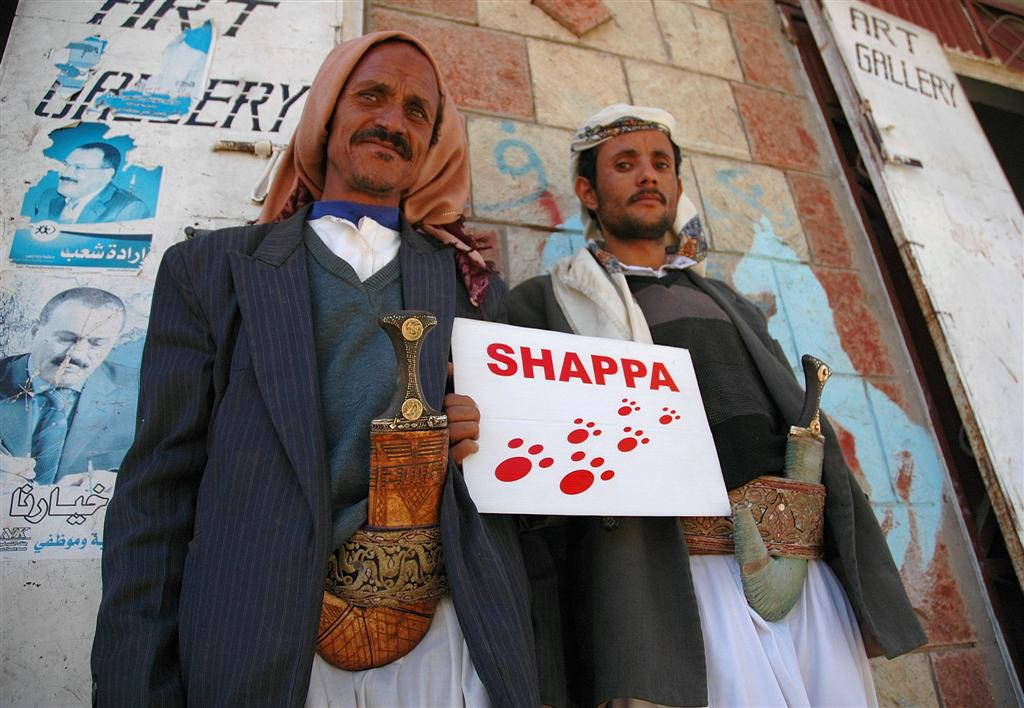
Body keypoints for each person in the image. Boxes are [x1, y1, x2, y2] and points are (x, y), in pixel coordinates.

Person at [91, 31, 538, 707]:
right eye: (372, 96)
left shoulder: (470, 286)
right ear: (328, 113)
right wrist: (136, 687)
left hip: (453, 649)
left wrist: (490, 435)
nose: (392, 121)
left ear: (432, 144)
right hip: (264, 647)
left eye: (417, 111)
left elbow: (522, 491)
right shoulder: (210, 272)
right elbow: (158, 493)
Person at [507, 104, 926, 707]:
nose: (647, 175)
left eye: (661, 164)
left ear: (678, 186)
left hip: (802, 568)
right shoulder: (547, 304)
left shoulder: (729, 299)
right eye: (624, 164)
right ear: (588, 191)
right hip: (676, 581)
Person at [0, 287, 136, 490]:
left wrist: (121, 481)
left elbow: (166, 467)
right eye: (66, 338)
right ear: (35, 331)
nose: (77, 354)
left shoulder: (143, 392)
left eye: (97, 344)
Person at [34, 142, 149, 223]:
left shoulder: (129, 208)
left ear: (106, 174)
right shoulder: (48, 196)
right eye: (65, 164)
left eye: (79, 167)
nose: (65, 173)